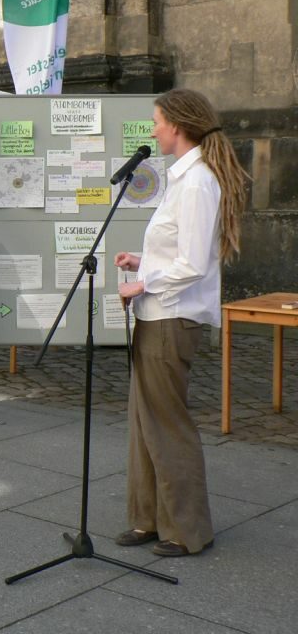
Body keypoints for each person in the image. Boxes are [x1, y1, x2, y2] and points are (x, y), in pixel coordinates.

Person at [114, 88, 248, 558]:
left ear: (177, 125)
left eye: (157, 122)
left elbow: (193, 263)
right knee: (144, 423)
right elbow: (177, 252)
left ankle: (188, 530)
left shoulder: (196, 183)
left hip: (172, 318)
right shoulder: (185, 178)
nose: (153, 130)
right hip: (159, 314)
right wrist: (142, 262)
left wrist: (143, 283)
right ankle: (149, 519)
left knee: (167, 425)